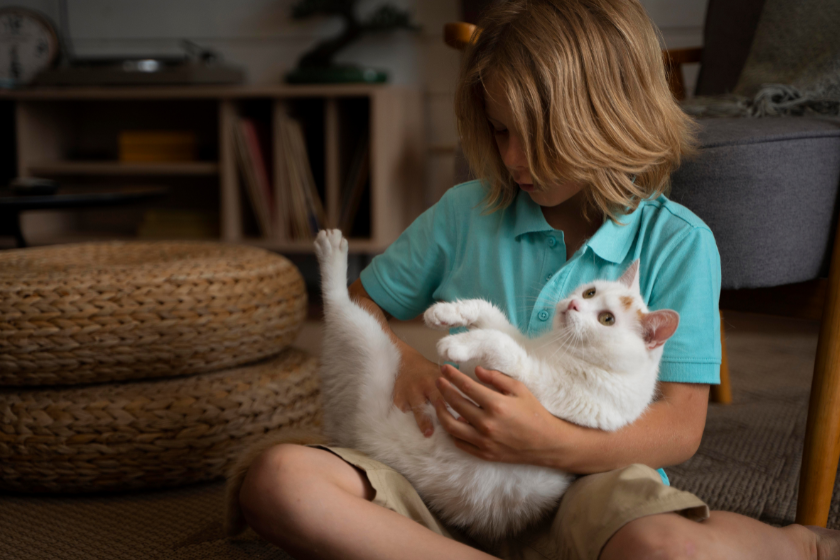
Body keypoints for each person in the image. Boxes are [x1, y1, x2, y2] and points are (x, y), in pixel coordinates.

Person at [238, 0, 840, 558]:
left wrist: (548, 443)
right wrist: (410, 366)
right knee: (279, 482)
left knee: (666, 548)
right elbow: (361, 304)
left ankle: (797, 546)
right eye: (501, 130)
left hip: (587, 481)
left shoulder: (677, 241)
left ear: (611, 117)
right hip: (439, 473)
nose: (513, 158)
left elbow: (680, 430)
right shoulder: (462, 212)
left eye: (538, 134)